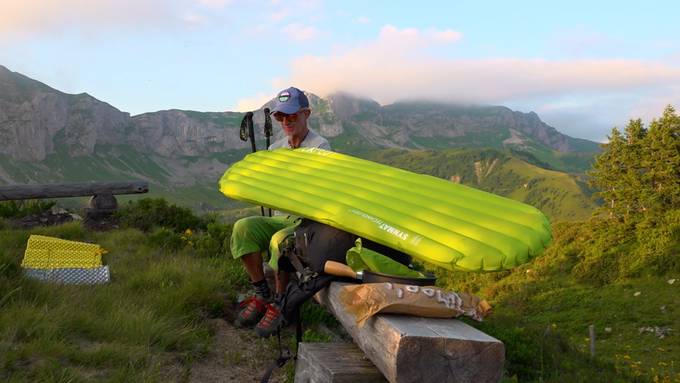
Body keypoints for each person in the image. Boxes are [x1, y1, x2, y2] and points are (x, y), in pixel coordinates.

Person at [230, 86, 330, 336]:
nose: (286, 121)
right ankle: (262, 294)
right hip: (279, 218)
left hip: (305, 223)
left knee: (278, 240)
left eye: (292, 116)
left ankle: (281, 302)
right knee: (243, 228)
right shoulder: (275, 150)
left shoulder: (321, 147)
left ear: (306, 114)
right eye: (280, 116)